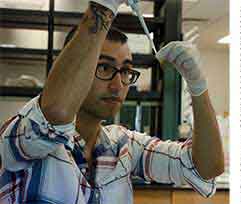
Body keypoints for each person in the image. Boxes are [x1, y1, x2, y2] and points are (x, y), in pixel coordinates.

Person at [0, 0, 225, 203]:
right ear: (77, 69)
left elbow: (205, 167)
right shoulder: (25, 134)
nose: (118, 85)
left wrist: (198, 86)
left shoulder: (123, 145)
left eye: (126, 71)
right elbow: (55, 114)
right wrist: (103, 8)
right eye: (105, 67)